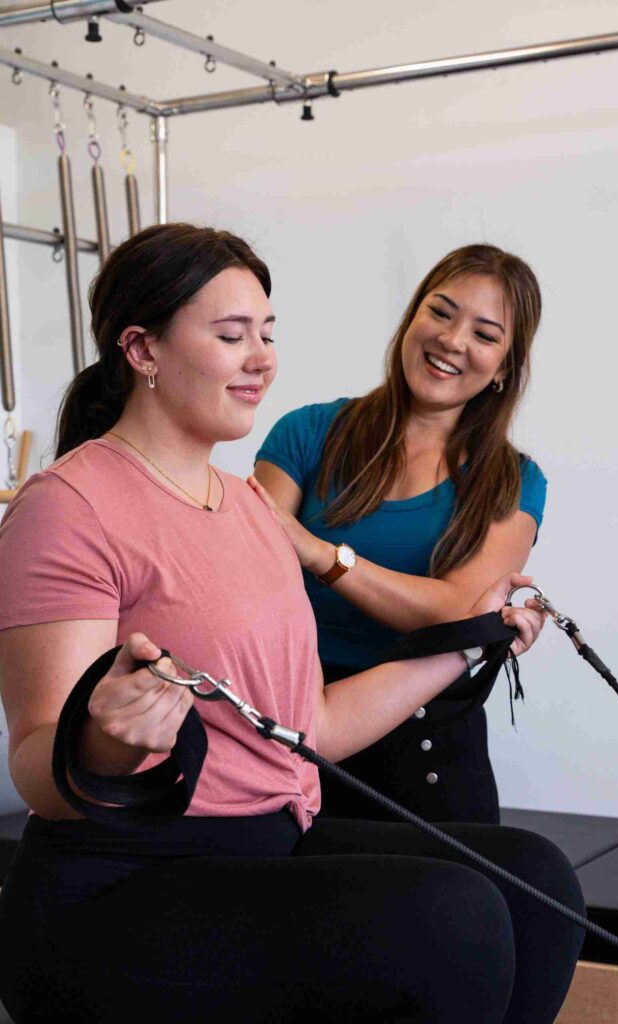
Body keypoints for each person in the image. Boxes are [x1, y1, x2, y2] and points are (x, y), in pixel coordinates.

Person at [0, 224, 583, 1024]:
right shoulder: (68, 507)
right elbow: (36, 762)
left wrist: (475, 640)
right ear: (142, 350)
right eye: (232, 335)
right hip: (123, 879)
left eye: (267, 334)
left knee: (535, 882)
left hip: (271, 838)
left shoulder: (247, 508)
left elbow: (312, 723)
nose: (262, 357)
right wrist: (108, 743)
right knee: (446, 916)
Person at [253, 244, 544, 824]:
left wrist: (317, 553)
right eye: (440, 312)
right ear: (412, 317)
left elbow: (460, 611)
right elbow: (250, 563)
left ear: (505, 367)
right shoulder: (306, 432)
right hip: (290, 735)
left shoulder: (514, 481)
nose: (453, 340)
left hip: (428, 756)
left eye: (485, 335)